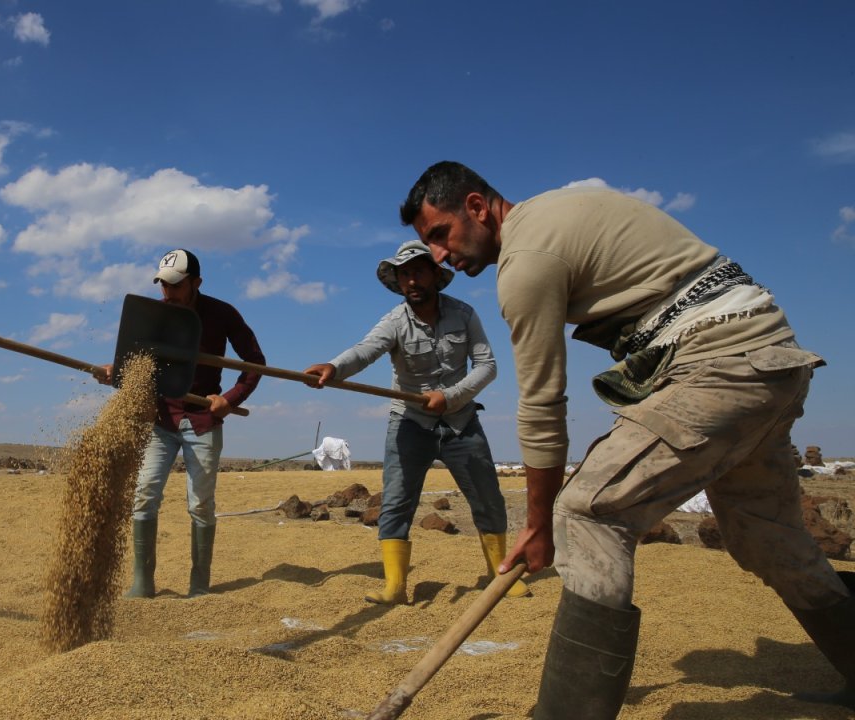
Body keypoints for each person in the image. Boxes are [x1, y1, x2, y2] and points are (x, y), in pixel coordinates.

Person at [400, 160, 853, 717]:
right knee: (768, 539)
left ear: (476, 206)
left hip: (721, 366)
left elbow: (542, 403)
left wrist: (541, 526)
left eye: (440, 235)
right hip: (771, 360)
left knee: (588, 512)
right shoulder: (560, 210)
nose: (440, 256)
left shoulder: (525, 260)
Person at [303, 240, 529, 605]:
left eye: (418, 271)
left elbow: (487, 366)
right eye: (404, 274)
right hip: (408, 423)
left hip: (460, 421)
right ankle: (395, 586)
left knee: (488, 498)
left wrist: (451, 396)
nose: (411, 280)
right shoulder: (394, 321)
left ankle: (498, 574)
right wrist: (334, 367)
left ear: (436, 275)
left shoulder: (465, 314)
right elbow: (366, 350)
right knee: (396, 503)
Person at [114, 248, 264, 599]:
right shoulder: (157, 312)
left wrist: (230, 398)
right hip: (161, 418)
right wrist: (116, 370)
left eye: (176, 285)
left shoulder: (222, 314)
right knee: (145, 493)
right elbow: (135, 356)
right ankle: (142, 582)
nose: (168, 293)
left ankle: (199, 585)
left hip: (203, 419)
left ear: (196, 282)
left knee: (200, 503)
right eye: (163, 285)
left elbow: (255, 361)